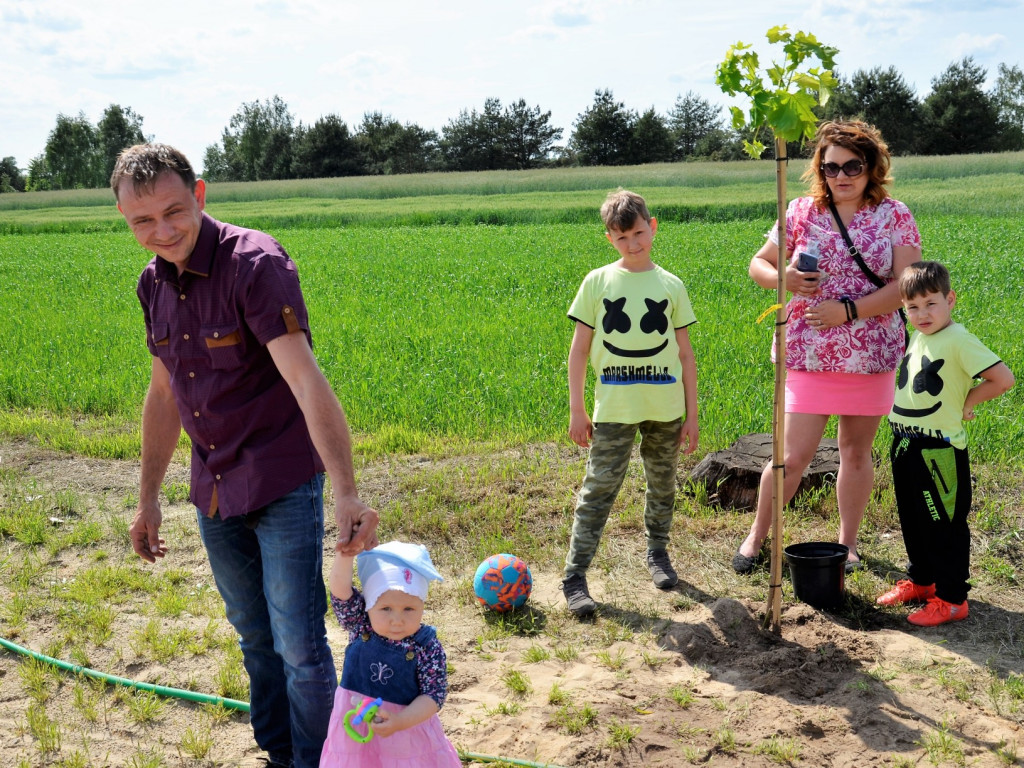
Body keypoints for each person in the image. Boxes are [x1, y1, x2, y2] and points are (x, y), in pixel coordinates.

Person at [111, 143, 380, 768]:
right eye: (141, 222)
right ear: (125, 219)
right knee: (253, 635)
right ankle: (278, 751)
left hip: (281, 478)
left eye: (174, 212)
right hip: (212, 485)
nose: (162, 231)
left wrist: (345, 490)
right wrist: (147, 497)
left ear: (199, 194)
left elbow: (307, 382)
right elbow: (163, 394)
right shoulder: (152, 284)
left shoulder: (254, 264)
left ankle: (315, 761)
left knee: (298, 643)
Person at [733, 120, 922, 576]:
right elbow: (758, 264)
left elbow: (907, 286)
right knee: (792, 457)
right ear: (819, 168)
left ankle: (848, 544)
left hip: (872, 354)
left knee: (856, 453)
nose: (842, 175)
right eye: (831, 165)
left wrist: (850, 310)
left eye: (853, 165)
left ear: (872, 166)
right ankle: (757, 538)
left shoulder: (895, 215)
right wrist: (786, 279)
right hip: (808, 353)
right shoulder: (800, 211)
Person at [562, 189, 699, 618]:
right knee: (599, 488)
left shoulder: (671, 285)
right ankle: (575, 575)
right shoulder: (598, 282)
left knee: (663, 483)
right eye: (623, 238)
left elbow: (685, 353)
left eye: (639, 233)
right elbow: (580, 350)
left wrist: (692, 414)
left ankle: (658, 553)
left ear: (652, 226)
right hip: (614, 409)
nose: (634, 244)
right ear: (610, 239)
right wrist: (577, 408)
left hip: (665, 407)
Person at [878, 261, 1014, 626]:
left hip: (939, 452)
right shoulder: (921, 336)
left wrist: (968, 402)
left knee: (944, 526)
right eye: (912, 307)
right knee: (913, 520)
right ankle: (923, 582)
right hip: (905, 443)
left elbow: (1003, 378)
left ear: (950, 299)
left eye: (930, 303)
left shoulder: (958, 339)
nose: (922, 314)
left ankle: (952, 598)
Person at [320, 541, 462, 767]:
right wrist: (345, 554)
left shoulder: (425, 646)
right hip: (355, 730)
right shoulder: (360, 624)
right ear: (368, 605)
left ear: (422, 605)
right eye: (385, 608)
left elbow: (434, 695)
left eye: (409, 609)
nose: (397, 620)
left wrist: (400, 721)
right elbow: (339, 591)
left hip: (405, 737)